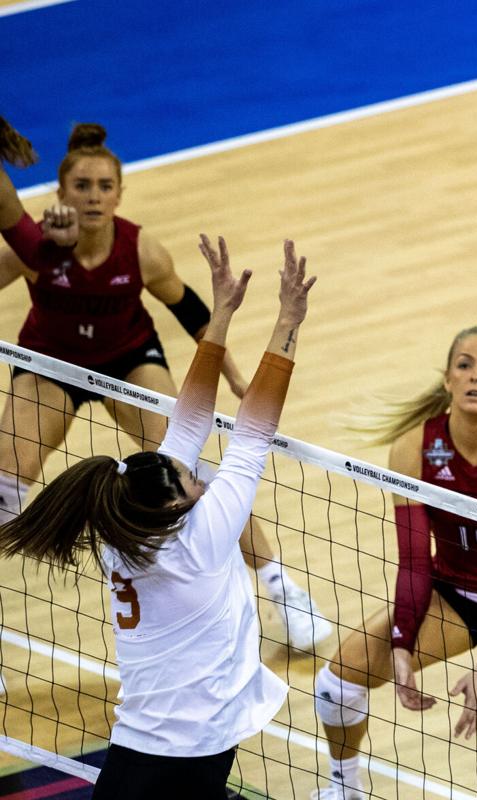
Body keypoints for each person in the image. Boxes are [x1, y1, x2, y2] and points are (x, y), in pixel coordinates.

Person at [0, 234, 316, 798]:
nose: (203, 478)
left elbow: (188, 424)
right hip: (188, 758)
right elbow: (251, 433)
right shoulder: (197, 542)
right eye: (195, 481)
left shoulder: (123, 530)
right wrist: (288, 322)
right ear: (177, 506)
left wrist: (218, 316)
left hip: (142, 749)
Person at [0, 116, 329, 649]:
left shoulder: (142, 251)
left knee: (186, 472)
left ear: (120, 193)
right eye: (81, 186)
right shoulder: (37, 247)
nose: (93, 196)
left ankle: (280, 589)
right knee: (4, 482)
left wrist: (237, 376)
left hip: (127, 359)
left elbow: (191, 309)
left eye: (105, 186)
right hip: (51, 362)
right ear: (60, 192)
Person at [312, 326, 477, 799]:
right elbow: (415, 563)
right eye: (465, 364)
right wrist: (399, 647)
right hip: (456, 595)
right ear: (448, 379)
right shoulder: (413, 448)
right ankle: (344, 790)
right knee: (338, 680)